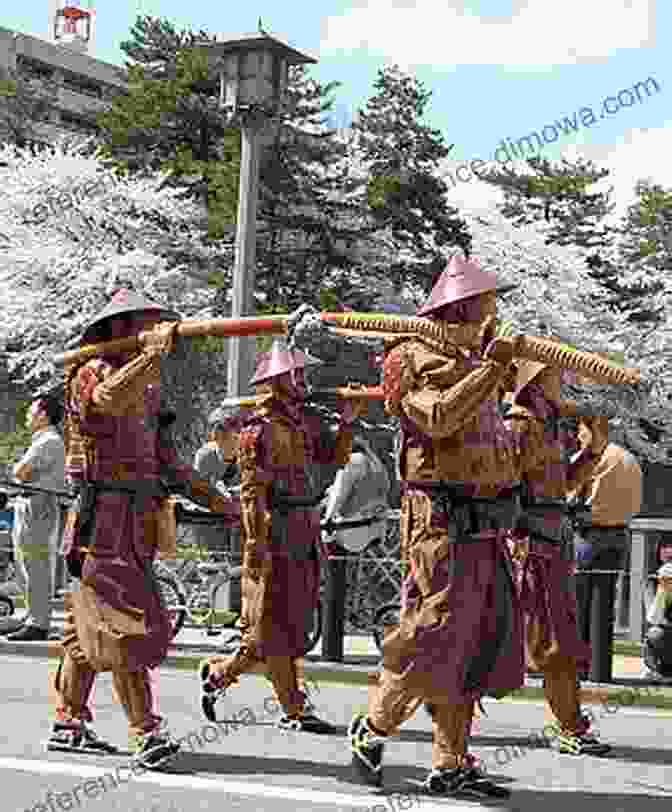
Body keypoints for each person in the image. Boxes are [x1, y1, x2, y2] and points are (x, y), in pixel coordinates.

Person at [348, 254, 524, 798]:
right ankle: (373, 725)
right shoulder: (408, 357)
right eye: (485, 306)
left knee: (476, 641)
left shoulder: (481, 360)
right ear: (460, 308)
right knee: (436, 632)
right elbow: (438, 417)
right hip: (439, 520)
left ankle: (450, 762)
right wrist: (491, 369)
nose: (493, 315)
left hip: (487, 522)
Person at [50, 288, 236, 768]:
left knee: (88, 628)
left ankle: (68, 721)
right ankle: (145, 730)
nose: (153, 331)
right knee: (122, 625)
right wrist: (149, 358)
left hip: (138, 523)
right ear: (118, 329)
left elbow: (168, 464)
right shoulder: (89, 375)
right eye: (144, 323)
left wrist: (220, 501)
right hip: (101, 523)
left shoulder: (150, 391)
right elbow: (108, 401)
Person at [198, 339, 364, 733]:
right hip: (274, 532)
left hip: (304, 528)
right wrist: (256, 543)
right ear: (278, 380)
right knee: (270, 625)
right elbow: (253, 494)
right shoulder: (257, 430)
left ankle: (220, 675)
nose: (304, 380)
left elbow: (335, 458)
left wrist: (347, 422)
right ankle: (294, 708)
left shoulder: (304, 422)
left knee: (287, 626)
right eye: (297, 373)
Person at [504, 361, 609, 755]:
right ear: (534, 379)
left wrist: (592, 449)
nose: (563, 380)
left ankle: (570, 724)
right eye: (554, 374)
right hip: (531, 545)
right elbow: (503, 488)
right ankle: (569, 726)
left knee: (559, 639)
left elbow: (563, 483)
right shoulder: (519, 426)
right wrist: (524, 531)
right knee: (551, 643)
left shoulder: (550, 428)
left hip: (555, 542)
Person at [567, 415, 643, 682]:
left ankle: (578, 670)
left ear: (592, 429)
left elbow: (570, 495)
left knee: (579, 608)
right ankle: (600, 671)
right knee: (604, 610)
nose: (578, 437)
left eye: (580, 430)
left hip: (588, 537)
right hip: (618, 537)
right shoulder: (629, 459)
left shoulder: (593, 459)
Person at [2, 395, 66, 641]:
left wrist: (20, 474)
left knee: (35, 566)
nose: (28, 414)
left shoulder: (48, 441)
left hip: (38, 509)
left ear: (43, 414)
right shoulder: (42, 441)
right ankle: (32, 617)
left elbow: (21, 472)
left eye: (32, 410)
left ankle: (39, 623)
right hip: (28, 507)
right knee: (25, 567)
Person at [322, 432, 390, 555]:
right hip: (378, 531)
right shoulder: (378, 465)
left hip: (354, 533)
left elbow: (338, 494)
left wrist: (327, 523)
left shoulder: (354, 460)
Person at [642, 539, 672, 681]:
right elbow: (653, 618)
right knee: (655, 634)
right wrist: (663, 588)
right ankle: (659, 671)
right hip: (665, 632)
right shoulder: (652, 581)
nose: (669, 551)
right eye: (665, 546)